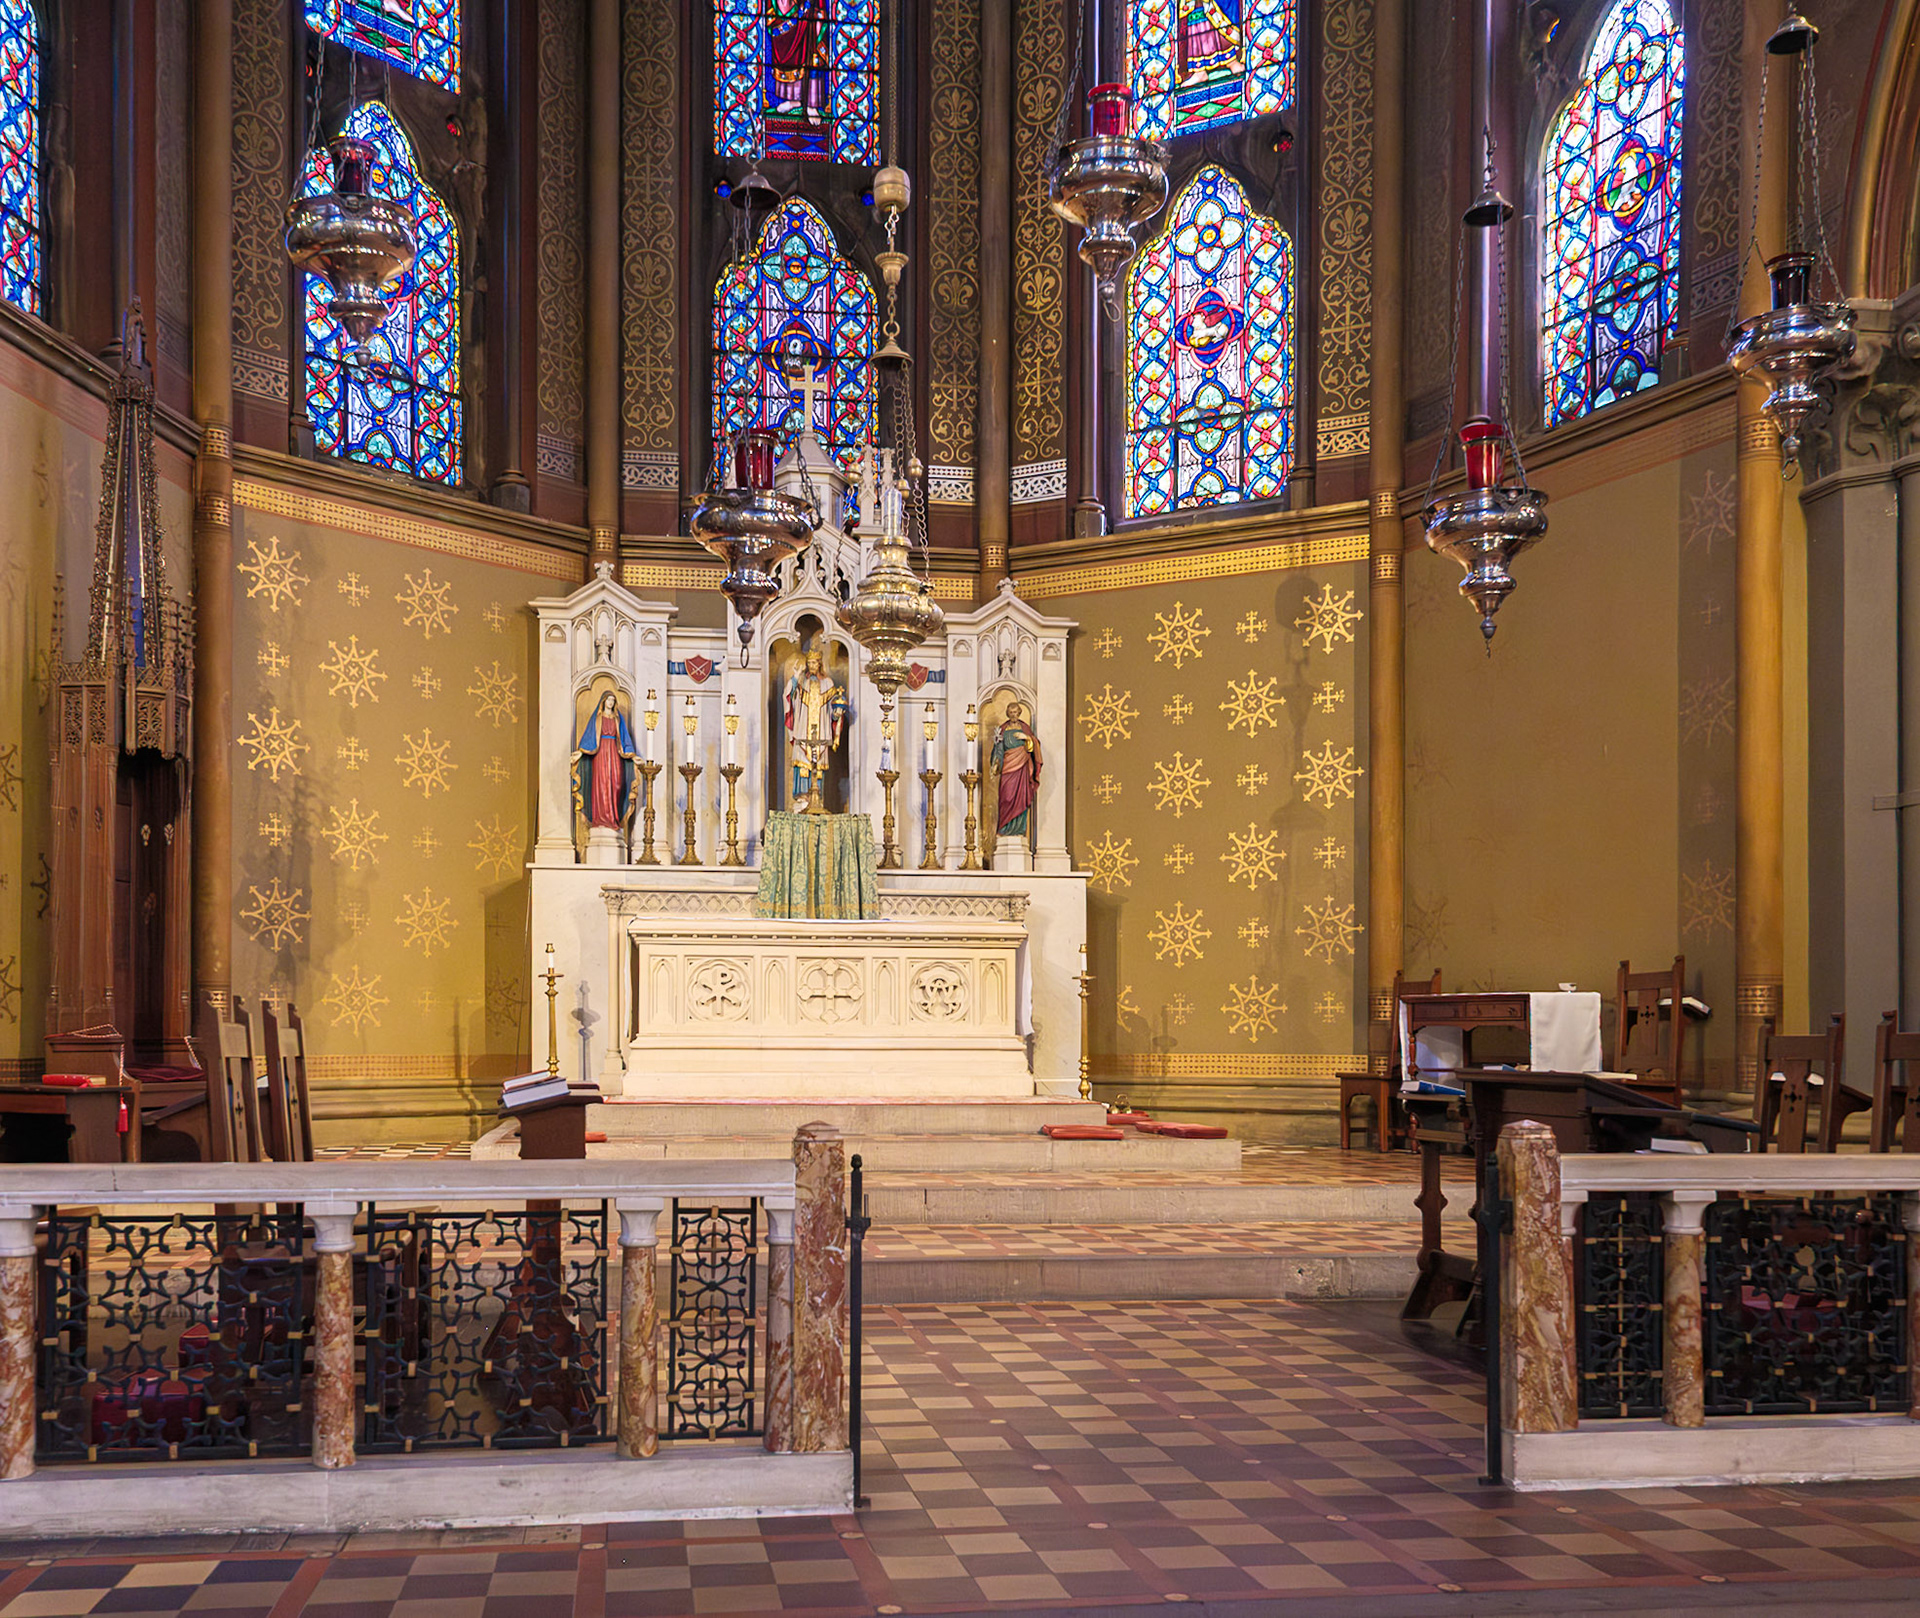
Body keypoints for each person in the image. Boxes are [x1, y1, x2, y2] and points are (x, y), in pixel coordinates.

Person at [782, 646, 848, 810]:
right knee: (803, 766)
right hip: (803, 731)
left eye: (815, 663)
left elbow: (833, 711)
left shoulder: (828, 683)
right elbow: (788, 697)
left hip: (821, 733)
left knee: (818, 769)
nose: (812, 666)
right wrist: (795, 678)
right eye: (809, 662)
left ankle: (818, 798)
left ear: (820, 664)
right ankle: (802, 799)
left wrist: (837, 714)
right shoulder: (801, 682)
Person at [574, 689, 637, 832]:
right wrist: (580, 752)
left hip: (615, 754)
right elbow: (589, 738)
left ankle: (613, 818)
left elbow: (625, 739)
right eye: (609, 700)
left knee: (616, 784)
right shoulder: (597, 718)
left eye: (613, 700)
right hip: (600, 754)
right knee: (601, 785)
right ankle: (600, 819)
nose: (611, 703)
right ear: (603, 702)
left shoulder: (617, 718)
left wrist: (632, 755)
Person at [990, 701, 1042, 840]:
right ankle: (1004, 828)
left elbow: (1034, 746)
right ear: (1008, 714)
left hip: (1022, 766)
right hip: (1008, 765)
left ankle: (1019, 829)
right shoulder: (1003, 729)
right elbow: (998, 748)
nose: (1013, 715)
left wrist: (1027, 738)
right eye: (1011, 713)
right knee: (1006, 797)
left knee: (1021, 797)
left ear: (1019, 713)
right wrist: (996, 763)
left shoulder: (1024, 728)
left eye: (1015, 712)